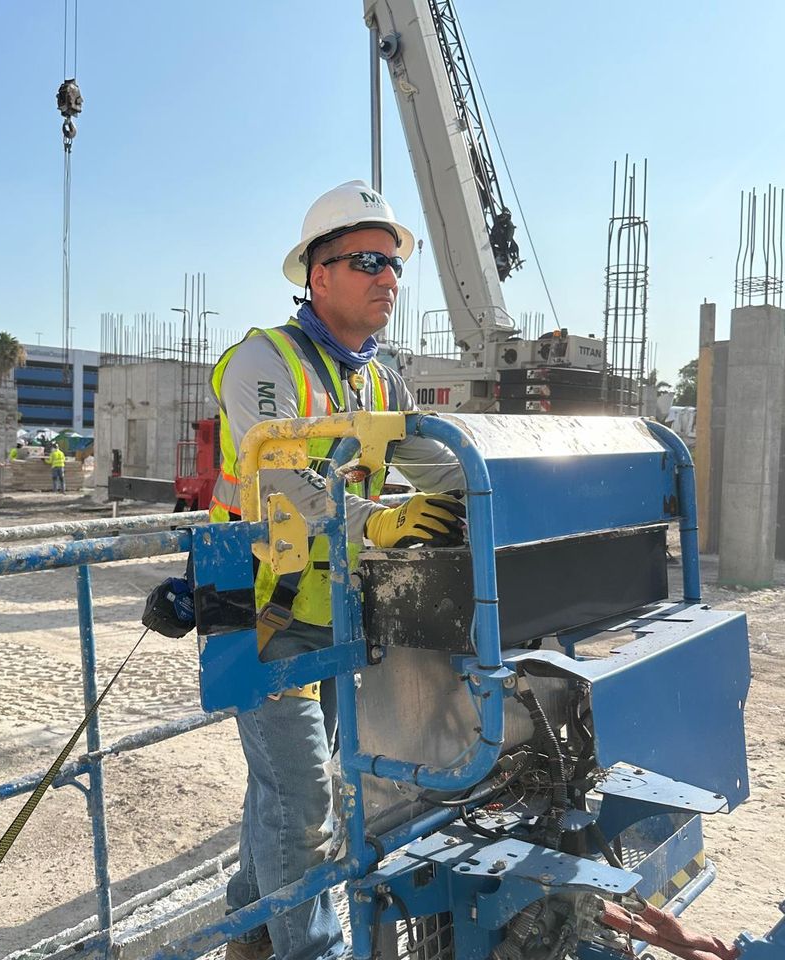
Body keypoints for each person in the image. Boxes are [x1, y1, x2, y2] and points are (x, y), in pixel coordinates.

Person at [211, 180, 466, 960]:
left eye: (394, 265)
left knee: (281, 788)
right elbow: (280, 483)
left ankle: (249, 928)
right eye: (368, 261)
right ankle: (309, 951)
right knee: (306, 803)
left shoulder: (381, 378)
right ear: (318, 275)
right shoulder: (264, 360)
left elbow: (433, 467)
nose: (389, 279)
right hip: (261, 614)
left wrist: (488, 493)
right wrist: (381, 522)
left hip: (338, 612)